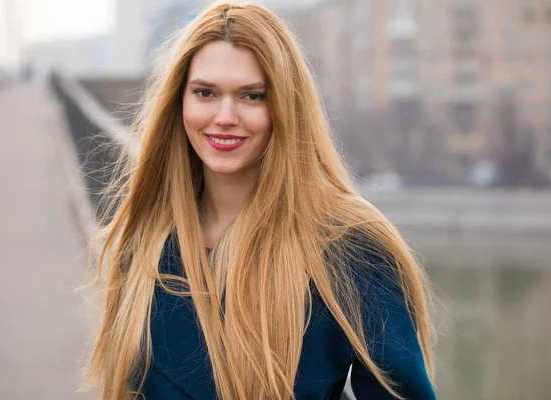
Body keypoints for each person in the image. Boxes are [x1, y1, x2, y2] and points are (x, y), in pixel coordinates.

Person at [82, 2, 437, 399]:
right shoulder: (144, 237)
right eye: (205, 92)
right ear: (179, 101)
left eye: (252, 96)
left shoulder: (348, 246)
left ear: (286, 106)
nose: (225, 116)